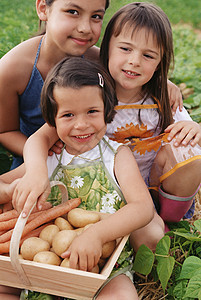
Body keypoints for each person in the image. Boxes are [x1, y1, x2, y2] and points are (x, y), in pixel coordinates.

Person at [11, 2, 201, 248]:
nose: (134, 61)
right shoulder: (93, 93)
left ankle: (171, 220)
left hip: (145, 190)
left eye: (148, 55)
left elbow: (187, 131)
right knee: (14, 182)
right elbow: (41, 137)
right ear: (106, 49)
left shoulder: (163, 97)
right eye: (125, 49)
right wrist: (36, 173)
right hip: (100, 185)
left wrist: (195, 128)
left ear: (160, 61)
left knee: (191, 151)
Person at [0, 57, 155, 299]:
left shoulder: (117, 156)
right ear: (52, 119)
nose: (81, 125)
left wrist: (97, 234)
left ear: (107, 110)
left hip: (104, 272)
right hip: (39, 272)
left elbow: (143, 208)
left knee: (122, 295)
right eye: (68, 115)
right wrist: (13, 189)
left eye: (92, 112)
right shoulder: (50, 159)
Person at [0, 0, 183, 170]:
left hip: (94, 162)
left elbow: (131, 69)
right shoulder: (13, 69)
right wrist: (45, 154)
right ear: (42, 8)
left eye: (96, 16)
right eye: (73, 12)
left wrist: (162, 82)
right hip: (35, 164)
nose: (85, 28)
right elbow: (5, 131)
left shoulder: (98, 60)